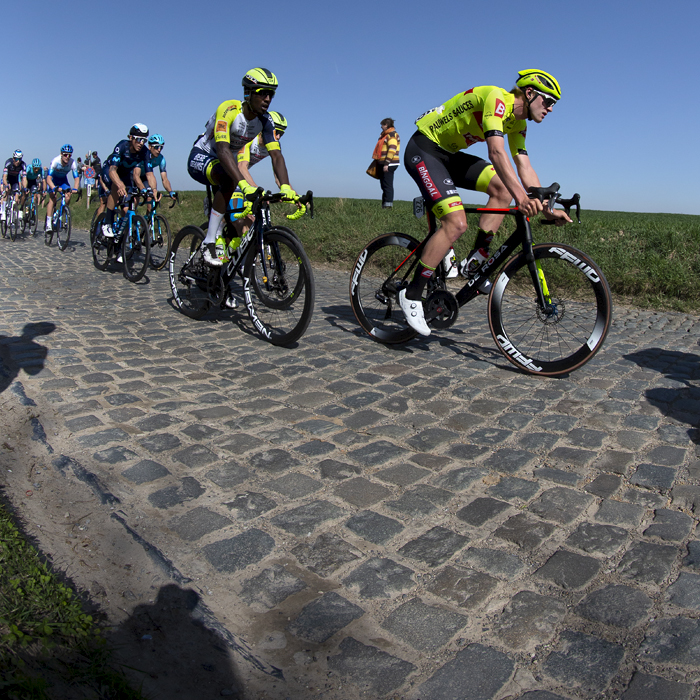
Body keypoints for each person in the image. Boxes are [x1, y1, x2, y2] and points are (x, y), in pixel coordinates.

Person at [398, 69, 571, 336]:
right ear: (529, 93)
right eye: (548, 102)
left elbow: (523, 165)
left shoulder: (518, 123)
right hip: (424, 148)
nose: (550, 109)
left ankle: (476, 261)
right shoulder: (496, 99)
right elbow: (496, 152)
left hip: (449, 155)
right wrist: (521, 198)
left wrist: (547, 208)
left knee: (502, 189)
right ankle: (412, 294)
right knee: (455, 223)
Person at [187, 67, 305, 267]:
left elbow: (276, 155)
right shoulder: (229, 109)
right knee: (229, 179)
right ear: (248, 93)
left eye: (271, 94)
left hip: (226, 165)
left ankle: (223, 282)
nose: (268, 99)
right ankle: (208, 241)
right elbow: (223, 150)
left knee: (234, 225)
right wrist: (244, 185)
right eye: (263, 93)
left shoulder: (265, 121)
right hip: (204, 155)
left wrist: (286, 187)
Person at [226, 110, 290, 233]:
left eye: (282, 134)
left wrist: (291, 193)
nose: (278, 137)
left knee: (251, 222)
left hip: (241, 180)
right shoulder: (250, 138)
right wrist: (257, 189)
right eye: (277, 132)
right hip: (227, 175)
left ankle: (242, 250)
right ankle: (214, 240)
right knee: (236, 219)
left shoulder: (273, 145)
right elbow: (241, 167)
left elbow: (278, 177)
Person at [100, 123, 157, 238]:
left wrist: (153, 190)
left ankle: (120, 240)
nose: (141, 143)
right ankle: (107, 222)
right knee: (115, 188)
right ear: (131, 138)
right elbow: (112, 170)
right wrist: (120, 184)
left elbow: (149, 174)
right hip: (110, 170)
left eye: (144, 140)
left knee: (128, 206)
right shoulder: (122, 146)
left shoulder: (145, 152)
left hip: (125, 174)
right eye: (139, 139)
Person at [45, 145, 79, 235]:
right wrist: (54, 188)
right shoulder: (55, 161)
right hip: (53, 180)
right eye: (65, 155)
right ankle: (48, 223)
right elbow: (48, 178)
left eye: (69, 155)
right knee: (53, 197)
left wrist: (75, 188)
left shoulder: (72, 163)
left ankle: (62, 214)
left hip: (63, 180)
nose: (67, 157)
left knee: (68, 197)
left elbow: (76, 178)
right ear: (61, 154)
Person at [134, 134, 177, 206]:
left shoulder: (161, 159)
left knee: (151, 196)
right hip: (134, 175)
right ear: (149, 147)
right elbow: (136, 174)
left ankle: (149, 216)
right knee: (136, 199)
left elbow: (164, 179)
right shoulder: (143, 155)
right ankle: (133, 216)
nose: (159, 150)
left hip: (145, 177)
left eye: (161, 147)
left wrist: (170, 191)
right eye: (157, 147)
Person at [372, 118, 400, 208]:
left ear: (386, 125)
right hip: (384, 163)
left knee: (387, 185)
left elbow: (392, 149)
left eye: (382, 125)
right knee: (384, 185)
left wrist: (386, 163)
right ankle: (385, 205)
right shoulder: (385, 135)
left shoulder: (392, 135)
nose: (381, 126)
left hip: (389, 163)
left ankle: (388, 207)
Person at [1, 150, 27, 225]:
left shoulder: (23, 164)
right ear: (13, 158)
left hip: (15, 180)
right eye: (16, 159)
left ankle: (13, 215)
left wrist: (24, 187)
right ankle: (3, 211)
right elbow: (4, 177)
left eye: (20, 159)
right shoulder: (8, 162)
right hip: (8, 179)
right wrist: (6, 185)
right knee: (7, 190)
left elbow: (24, 178)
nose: (18, 161)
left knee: (17, 195)